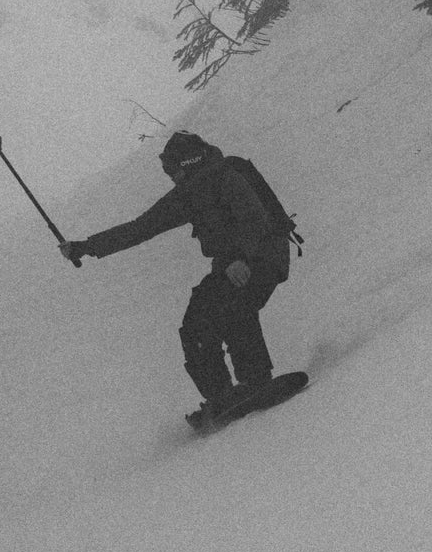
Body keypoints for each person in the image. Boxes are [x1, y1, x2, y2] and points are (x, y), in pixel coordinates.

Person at [58, 131, 294, 427]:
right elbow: (141, 228)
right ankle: (220, 395)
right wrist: (86, 247)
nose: (171, 176)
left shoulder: (225, 176)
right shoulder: (189, 194)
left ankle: (256, 381)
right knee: (196, 323)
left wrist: (242, 258)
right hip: (230, 265)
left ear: (189, 162)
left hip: (264, 255)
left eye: (173, 168)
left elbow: (254, 219)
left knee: (234, 307)